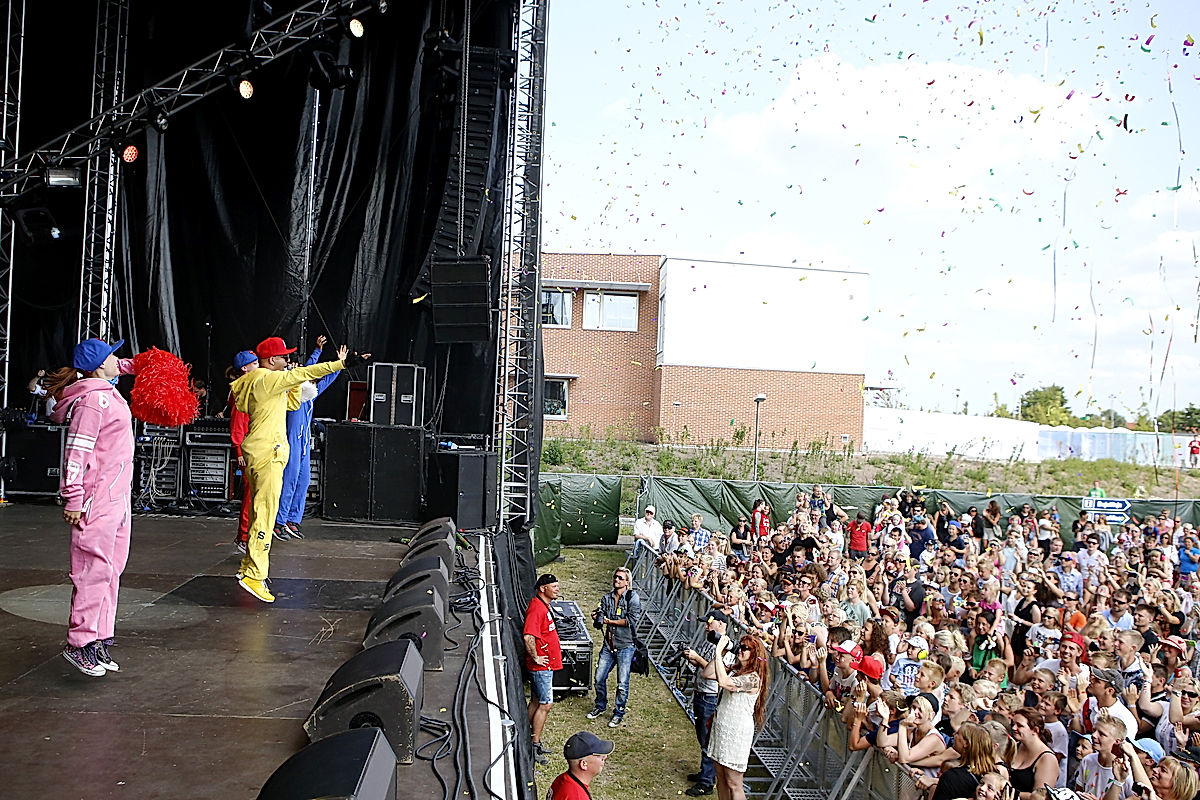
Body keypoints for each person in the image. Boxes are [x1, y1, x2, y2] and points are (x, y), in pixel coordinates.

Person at [230, 336, 364, 602]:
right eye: (283, 357)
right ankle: (255, 575)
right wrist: (341, 364)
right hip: (268, 454)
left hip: (259, 451)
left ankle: (247, 566)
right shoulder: (267, 379)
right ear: (271, 360)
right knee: (266, 514)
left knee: (258, 511)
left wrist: (294, 385)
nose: (288, 360)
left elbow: (291, 403)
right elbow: (306, 373)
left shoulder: (255, 381)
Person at [45, 338, 141, 676]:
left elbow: (126, 365)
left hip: (116, 497)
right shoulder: (92, 401)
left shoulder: (105, 392)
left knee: (111, 569)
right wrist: (72, 497)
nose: (118, 359)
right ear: (100, 364)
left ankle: (98, 637)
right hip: (97, 499)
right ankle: (79, 643)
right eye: (112, 355)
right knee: (92, 570)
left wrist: (151, 363)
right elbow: (76, 452)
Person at [274, 335, 343, 540]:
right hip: (291, 444)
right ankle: (279, 521)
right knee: (289, 481)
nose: (315, 380)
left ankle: (292, 520)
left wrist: (340, 363)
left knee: (303, 481)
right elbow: (308, 370)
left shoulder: (311, 394)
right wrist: (316, 353)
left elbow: (327, 378)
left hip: (304, 445)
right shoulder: (294, 393)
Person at [707, 634, 769, 800]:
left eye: (745, 648)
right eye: (740, 647)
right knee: (721, 780)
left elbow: (724, 682)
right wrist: (720, 654)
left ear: (754, 654)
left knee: (734, 783)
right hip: (722, 728)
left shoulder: (753, 679)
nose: (740, 651)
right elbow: (707, 673)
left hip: (737, 734)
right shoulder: (735, 671)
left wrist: (718, 651)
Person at [682, 609, 731, 797]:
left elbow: (715, 673)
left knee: (707, 740)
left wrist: (697, 658)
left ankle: (707, 781)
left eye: (709, 623)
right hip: (701, 693)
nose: (706, 627)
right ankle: (705, 773)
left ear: (721, 624)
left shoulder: (725, 646)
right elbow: (702, 665)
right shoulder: (709, 641)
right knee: (701, 736)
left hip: (710, 696)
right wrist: (692, 658)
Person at [586, 567, 641, 728]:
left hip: (626, 646)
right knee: (599, 678)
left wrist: (609, 621)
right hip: (609, 645)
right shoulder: (606, 598)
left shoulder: (633, 598)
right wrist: (597, 617)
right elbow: (601, 615)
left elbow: (631, 621)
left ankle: (618, 713)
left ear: (627, 582)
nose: (616, 580)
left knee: (622, 684)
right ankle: (600, 705)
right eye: (615, 577)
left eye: (620, 578)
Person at [525, 573, 563, 765]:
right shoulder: (537, 609)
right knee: (545, 704)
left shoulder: (542, 605)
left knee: (535, 700)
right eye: (554, 586)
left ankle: (526, 737)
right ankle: (534, 745)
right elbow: (528, 637)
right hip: (541, 667)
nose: (557, 589)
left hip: (545, 666)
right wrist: (536, 657)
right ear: (543, 588)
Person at [226, 350, 258, 553]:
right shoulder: (241, 391)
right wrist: (238, 451)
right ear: (245, 368)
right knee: (250, 494)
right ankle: (244, 536)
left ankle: (247, 535)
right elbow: (237, 425)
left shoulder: (249, 387)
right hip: (247, 449)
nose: (258, 366)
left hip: (251, 447)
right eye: (254, 363)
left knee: (254, 494)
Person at [547, 731, 614, 800]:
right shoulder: (577, 796)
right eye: (598, 755)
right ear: (584, 764)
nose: (605, 757)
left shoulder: (562, 779)